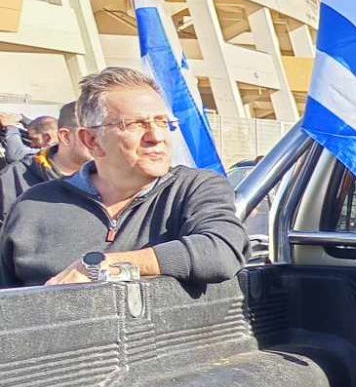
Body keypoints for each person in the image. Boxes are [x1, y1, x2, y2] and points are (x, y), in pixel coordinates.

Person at [0, 68, 246, 290]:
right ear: (91, 140)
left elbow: (221, 251)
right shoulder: (33, 206)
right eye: (135, 124)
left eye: (162, 122)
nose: (156, 136)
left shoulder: (194, 189)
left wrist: (104, 267)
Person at [0, 102, 86, 227]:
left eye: (34, 139)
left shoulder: (31, 164)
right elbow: (45, 125)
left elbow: (15, 154)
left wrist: (11, 126)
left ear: (48, 138)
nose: (32, 144)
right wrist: (21, 118)